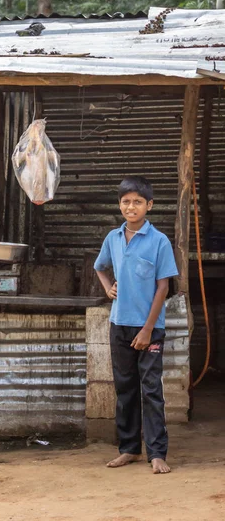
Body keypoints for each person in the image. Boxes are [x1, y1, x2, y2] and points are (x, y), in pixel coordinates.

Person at [94, 176, 178, 474]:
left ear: (149, 206)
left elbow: (163, 288)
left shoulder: (159, 241)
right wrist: (107, 288)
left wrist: (147, 330)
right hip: (119, 325)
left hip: (149, 328)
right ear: (120, 205)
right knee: (125, 389)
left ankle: (157, 453)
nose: (131, 206)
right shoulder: (113, 238)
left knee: (151, 389)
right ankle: (129, 449)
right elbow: (100, 267)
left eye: (138, 202)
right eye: (126, 201)